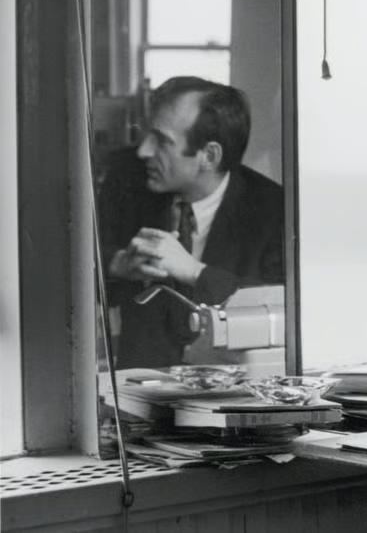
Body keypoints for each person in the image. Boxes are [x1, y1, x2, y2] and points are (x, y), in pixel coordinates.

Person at [100, 76, 284, 368]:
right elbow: (69, 273)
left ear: (209, 156)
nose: (143, 151)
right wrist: (117, 265)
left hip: (231, 394)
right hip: (136, 395)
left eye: (161, 141)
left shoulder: (274, 211)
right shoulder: (126, 184)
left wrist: (197, 272)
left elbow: (280, 309)